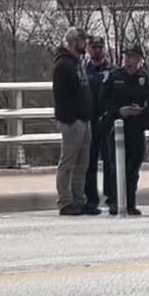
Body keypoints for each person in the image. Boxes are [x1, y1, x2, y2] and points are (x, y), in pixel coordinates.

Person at [99, 44, 149, 216]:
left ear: (139, 59)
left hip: (136, 128)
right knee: (116, 166)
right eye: (126, 57)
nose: (128, 60)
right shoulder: (114, 77)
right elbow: (103, 101)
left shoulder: (144, 79)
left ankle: (130, 203)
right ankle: (115, 201)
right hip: (117, 128)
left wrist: (142, 111)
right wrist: (118, 111)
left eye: (132, 57)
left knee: (133, 168)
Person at [51, 27, 96, 216]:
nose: (85, 44)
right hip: (72, 122)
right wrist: (70, 119)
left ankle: (79, 199)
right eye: (82, 40)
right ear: (74, 41)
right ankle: (65, 201)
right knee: (68, 162)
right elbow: (61, 97)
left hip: (84, 119)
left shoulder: (78, 64)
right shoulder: (63, 65)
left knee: (82, 164)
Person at [83, 36, 111, 214]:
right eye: (93, 47)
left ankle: (112, 197)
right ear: (88, 49)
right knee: (89, 163)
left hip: (107, 120)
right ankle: (91, 199)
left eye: (99, 47)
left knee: (109, 162)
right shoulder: (83, 70)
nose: (97, 51)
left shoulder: (112, 70)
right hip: (89, 120)